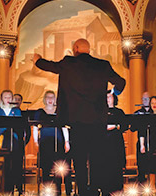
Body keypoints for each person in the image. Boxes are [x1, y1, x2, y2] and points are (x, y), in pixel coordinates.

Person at [33, 38, 126, 196]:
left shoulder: (69, 63)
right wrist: (112, 93)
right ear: (88, 49)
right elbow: (121, 82)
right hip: (98, 122)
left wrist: (37, 60)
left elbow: (51, 66)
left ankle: (83, 191)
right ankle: (97, 190)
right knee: (97, 158)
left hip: (76, 122)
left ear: (76, 48)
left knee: (80, 160)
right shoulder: (103, 65)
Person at [33, 90, 72, 196]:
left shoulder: (59, 111)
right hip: (45, 143)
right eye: (48, 97)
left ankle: (58, 191)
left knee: (58, 168)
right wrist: (36, 141)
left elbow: (64, 128)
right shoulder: (39, 112)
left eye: (52, 97)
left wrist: (67, 142)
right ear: (44, 99)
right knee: (46, 168)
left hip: (58, 143)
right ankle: (47, 190)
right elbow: (35, 127)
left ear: (55, 99)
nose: (50, 100)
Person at [0, 89, 25, 194]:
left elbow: (19, 125)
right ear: (1, 99)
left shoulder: (17, 110)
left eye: (10, 97)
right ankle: (2, 186)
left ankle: (14, 186)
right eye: (5, 97)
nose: (8, 99)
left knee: (14, 163)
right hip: (0, 139)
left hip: (13, 138)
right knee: (2, 163)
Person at [101, 91, 127, 195]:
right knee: (104, 170)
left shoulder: (119, 112)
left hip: (116, 144)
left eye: (110, 97)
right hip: (103, 145)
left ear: (114, 98)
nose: (108, 99)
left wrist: (115, 126)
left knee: (117, 170)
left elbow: (125, 125)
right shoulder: (100, 112)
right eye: (106, 97)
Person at [131, 92, 152, 183]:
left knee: (152, 165)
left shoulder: (154, 112)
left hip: (153, 141)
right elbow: (132, 128)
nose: (145, 101)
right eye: (143, 99)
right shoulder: (138, 113)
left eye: (147, 99)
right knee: (141, 165)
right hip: (141, 142)